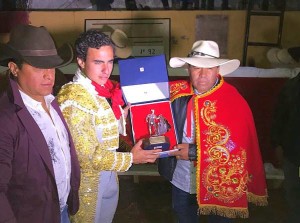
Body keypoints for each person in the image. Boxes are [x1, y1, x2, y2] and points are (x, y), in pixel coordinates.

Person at [56, 29, 161, 223]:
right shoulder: (73, 97)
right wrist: (131, 158)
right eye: (98, 62)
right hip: (86, 182)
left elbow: (105, 136)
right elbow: (87, 157)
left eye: (110, 61)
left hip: (110, 175)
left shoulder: (101, 92)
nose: (106, 70)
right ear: (81, 61)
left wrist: (125, 125)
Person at [158, 40, 268, 223]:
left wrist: (193, 152)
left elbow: (236, 147)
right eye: (196, 68)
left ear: (218, 70)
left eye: (208, 68)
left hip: (219, 181)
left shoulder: (233, 100)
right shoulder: (175, 93)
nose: (202, 74)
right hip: (182, 178)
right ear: (187, 69)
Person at [0, 24, 80, 223]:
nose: (49, 75)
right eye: (38, 67)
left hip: (60, 210)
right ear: (14, 68)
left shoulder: (53, 102)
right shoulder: (6, 118)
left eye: (51, 66)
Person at [270, 47, 300, 223]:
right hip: (293, 152)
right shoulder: (291, 87)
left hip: (292, 151)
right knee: (294, 192)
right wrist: (277, 144)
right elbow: (279, 118)